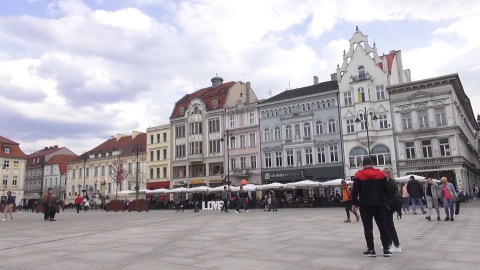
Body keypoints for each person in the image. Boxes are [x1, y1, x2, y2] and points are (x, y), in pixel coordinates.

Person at [351, 157, 392, 257]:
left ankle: (371, 250)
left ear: (362, 165)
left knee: (368, 228)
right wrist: (381, 197)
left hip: (365, 205)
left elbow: (355, 191)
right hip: (379, 204)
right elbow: (386, 189)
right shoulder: (380, 174)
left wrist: (354, 203)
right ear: (372, 164)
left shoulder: (358, 175)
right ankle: (386, 250)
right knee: (382, 227)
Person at [383, 167, 402, 253]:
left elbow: (387, 194)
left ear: (387, 173)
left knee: (390, 225)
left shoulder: (389, 182)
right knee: (388, 225)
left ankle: (397, 245)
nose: (383, 174)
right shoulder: (392, 182)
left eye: (384, 173)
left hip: (388, 205)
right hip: (389, 205)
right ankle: (389, 243)